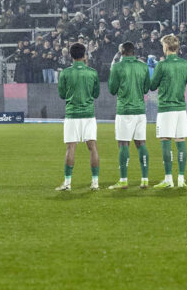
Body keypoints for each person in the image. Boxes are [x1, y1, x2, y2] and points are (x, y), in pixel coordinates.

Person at [55, 42, 100, 191]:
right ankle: (95, 182)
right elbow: (96, 94)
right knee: (92, 147)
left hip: (72, 114)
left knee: (70, 148)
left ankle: (67, 183)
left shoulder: (66, 73)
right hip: (88, 114)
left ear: (70, 56)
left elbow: (62, 94)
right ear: (84, 55)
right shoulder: (92, 72)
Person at [106, 42, 150, 189]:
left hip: (124, 110)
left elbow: (112, 89)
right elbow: (146, 88)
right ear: (134, 51)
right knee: (141, 143)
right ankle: (145, 179)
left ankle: (123, 180)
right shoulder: (143, 66)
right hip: (140, 110)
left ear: (121, 51)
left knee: (123, 144)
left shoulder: (117, 67)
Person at [149, 35, 187, 189]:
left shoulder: (162, 64)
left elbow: (153, 86)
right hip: (180, 107)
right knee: (181, 141)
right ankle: (181, 179)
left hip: (166, 108)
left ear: (166, 47)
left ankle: (168, 179)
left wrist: (152, 70)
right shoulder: (185, 64)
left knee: (165, 140)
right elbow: (185, 81)